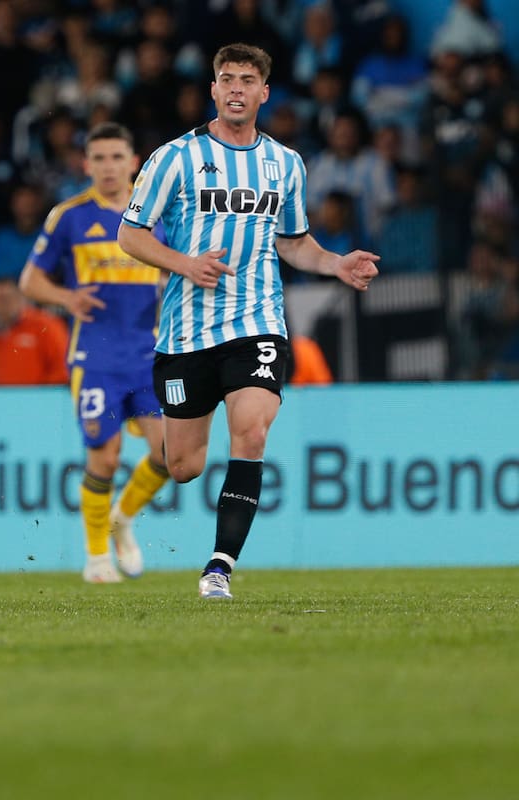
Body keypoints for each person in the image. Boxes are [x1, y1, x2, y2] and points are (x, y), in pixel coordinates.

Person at [117, 43, 379, 599]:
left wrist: (334, 263)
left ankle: (219, 568)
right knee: (183, 465)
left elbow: (293, 241)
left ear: (264, 92)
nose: (236, 88)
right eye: (226, 79)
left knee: (252, 432)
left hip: (257, 321)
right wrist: (185, 263)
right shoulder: (174, 158)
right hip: (186, 331)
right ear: (213, 90)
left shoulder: (285, 164)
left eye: (247, 80)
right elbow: (130, 234)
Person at [19, 122, 170, 585]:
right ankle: (96, 556)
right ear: (86, 165)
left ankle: (122, 518)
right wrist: (67, 299)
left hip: (151, 353)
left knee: (170, 454)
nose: (108, 167)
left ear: (134, 163)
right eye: (99, 158)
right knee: (104, 458)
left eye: (116, 157)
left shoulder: (160, 216)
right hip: (96, 358)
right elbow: (30, 281)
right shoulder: (69, 216)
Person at [0, 275, 70, 386]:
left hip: (33, 399)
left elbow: (63, 370)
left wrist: (39, 394)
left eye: (6, 298)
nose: (2, 305)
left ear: (20, 296)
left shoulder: (44, 325)